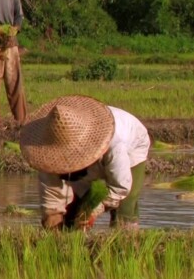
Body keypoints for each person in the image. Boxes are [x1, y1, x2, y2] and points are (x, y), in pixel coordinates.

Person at [18, 95, 150, 230]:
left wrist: (93, 211)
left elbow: (120, 187)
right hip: (90, 152)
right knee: (74, 213)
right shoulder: (47, 155)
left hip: (134, 142)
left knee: (124, 208)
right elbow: (52, 199)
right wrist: (53, 223)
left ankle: (127, 240)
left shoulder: (115, 146)